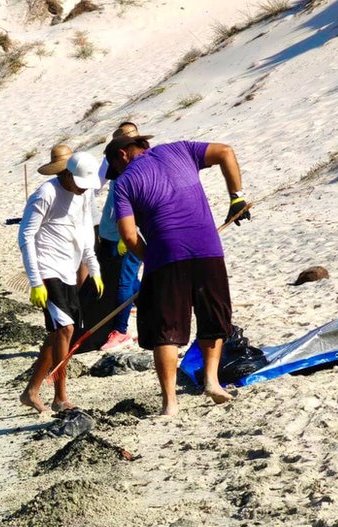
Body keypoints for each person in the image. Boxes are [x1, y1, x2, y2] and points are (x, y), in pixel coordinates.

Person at [105, 134, 251, 416]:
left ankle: (170, 402)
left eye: (116, 166)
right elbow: (226, 151)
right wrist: (237, 198)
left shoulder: (123, 183)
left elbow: (127, 234)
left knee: (165, 331)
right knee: (214, 318)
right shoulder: (181, 149)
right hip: (207, 248)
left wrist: (151, 257)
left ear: (123, 155)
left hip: (166, 257)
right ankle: (212, 382)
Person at [18, 147, 104, 413]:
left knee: (60, 334)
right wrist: (35, 281)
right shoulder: (46, 193)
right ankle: (60, 397)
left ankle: (31, 391)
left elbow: (86, 230)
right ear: (66, 174)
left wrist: (94, 266)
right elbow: (26, 235)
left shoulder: (85, 191)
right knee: (66, 329)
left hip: (69, 269)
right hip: (47, 269)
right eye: (78, 185)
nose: (81, 190)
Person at [97, 122, 151, 351]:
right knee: (132, 282)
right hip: (112, 230)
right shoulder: (115, 163)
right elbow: (96, 186)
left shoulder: (141, 165)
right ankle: (151, 320)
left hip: (126, 233)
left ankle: (121, 331)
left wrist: (126, 235)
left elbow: (140, 203)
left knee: (124, 281)